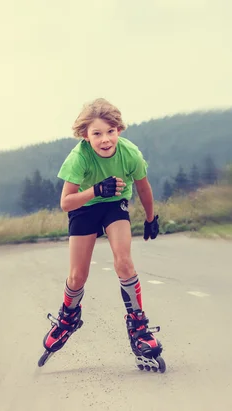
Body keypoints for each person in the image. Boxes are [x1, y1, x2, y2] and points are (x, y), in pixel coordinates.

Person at [39, 98, 165, 372]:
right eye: (97, 134)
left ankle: (139, 326)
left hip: (115, 204)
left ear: (119, 130)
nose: (105, 139)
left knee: (124, 261)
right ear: (86, 135)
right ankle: (68, 318)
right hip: (84, 206)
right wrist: (96, 190)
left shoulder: (130, 154)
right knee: (77, 276)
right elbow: (66, 203)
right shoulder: (79, 157)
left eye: (111, 132)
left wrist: (151, 218)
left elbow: (143, 188)